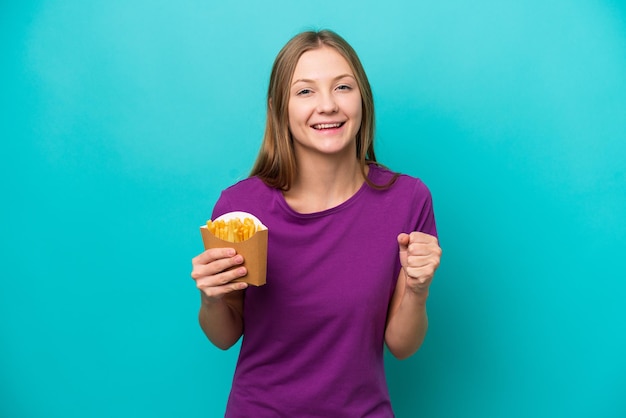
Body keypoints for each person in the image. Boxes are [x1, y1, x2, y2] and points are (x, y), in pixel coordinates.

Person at [190, 29, 442, 417]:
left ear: (363, 99)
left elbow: (402, 345)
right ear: (280, 108)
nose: (328, 106)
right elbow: (225, 336)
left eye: (343, 87)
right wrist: (211, 298)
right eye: (305, 91)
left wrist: (418, 289)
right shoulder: (240, 207)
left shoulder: (407, 201)